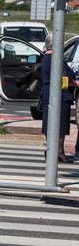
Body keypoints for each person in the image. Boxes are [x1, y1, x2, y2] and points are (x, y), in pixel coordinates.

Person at [39, 33, 77, 162]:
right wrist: (75, 83)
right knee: (61, 123)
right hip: (60, 95)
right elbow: (65, 78)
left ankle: (51, 149)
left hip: (47, 94)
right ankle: (59, 151)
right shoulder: (57, 59)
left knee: (48, 121)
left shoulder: (45, 58)